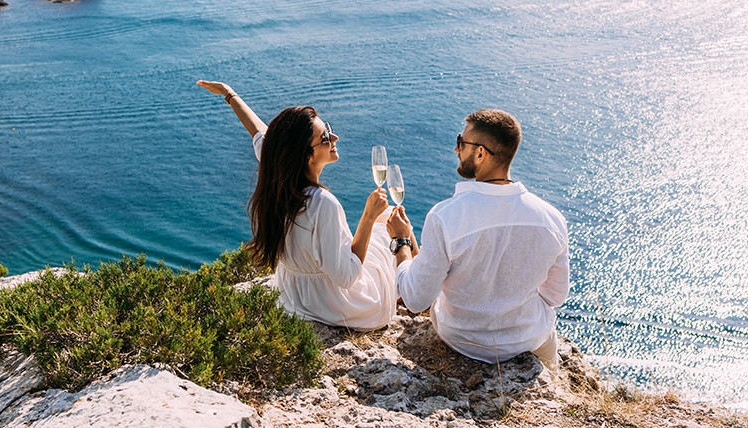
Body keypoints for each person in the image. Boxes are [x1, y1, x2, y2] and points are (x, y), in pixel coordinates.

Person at [197, 80, 401, 330]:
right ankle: (416, 296)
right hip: (341, 307)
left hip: (293, 298)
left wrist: (230, 95)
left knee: (387, 222)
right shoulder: (323, 204)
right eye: (325, 137)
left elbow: (261, 134)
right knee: (393, 220)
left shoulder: (277, 172)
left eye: (328, 129)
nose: (334, 137)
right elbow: (346, 277)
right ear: (306, 156)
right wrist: (368, 217)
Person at [386, 109, 569, 371]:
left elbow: (415, 300)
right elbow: (556, 295)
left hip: (461, 340)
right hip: (528, 340)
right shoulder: (552, 218)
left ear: (481, 153)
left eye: (461, 142)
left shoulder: (445, 216)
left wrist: (402, 242)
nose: (455, 149)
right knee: (556, 372)